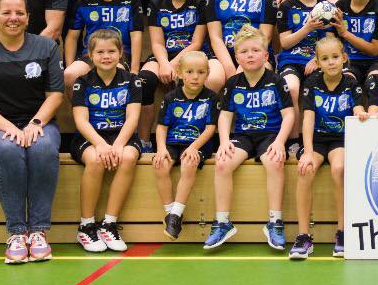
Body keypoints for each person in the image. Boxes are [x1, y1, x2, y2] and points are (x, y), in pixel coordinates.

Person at [0, 0, 65, 265]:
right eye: (6, 13)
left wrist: (35, 123)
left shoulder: (46, 47)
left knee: (43, 147)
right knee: (9, 149)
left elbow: (55, 95)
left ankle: (38, 232)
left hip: (38, 123)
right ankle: (17, 233)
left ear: (28, 18)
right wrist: (10, 128)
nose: (13, 18)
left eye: (20, 13)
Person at [206, 31, 296, 251]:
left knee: (275, 161)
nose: (250, 55)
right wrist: (224, 141)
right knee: (222, 163)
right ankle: (222, 222)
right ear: (237, 57)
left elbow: (289, 115)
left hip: (270, 135)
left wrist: (280, 142)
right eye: (244, 51)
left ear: (266, 55)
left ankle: (275, 221)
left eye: (256, 50)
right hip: (243, 136)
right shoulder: (233, 83)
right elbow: (225, 116)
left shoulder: (276, 81)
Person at [66, 28, 145, 253]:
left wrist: (118, 144)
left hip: (122, 134)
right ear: (90, 55)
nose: (106, 56)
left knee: (127, 157)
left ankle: (109, 224)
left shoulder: (132, 81)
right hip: (91, 136)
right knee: (96, 159)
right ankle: (86, 226)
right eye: (100, 52)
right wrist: (100, 144)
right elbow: (81, 121)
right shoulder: (82, 82)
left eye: (111, 51)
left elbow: (133, 118)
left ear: (120, 53)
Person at [291, 35, 363, 260]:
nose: (331, 62)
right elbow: (308, 120)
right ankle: (304, 236)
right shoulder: (311, 84)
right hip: (317, 140)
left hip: (341, 139)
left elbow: (358, 110)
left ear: (344, 58)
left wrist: (361, 113)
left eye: (335, 57)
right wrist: (307, 152)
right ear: (317, 62)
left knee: (339, 168)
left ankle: (342, 233)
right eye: (324, 58)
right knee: (305, 169)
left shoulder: (351, 83)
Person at [153, 50, 216, 239]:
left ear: (207, 74)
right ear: (179, 73)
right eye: (189, 72)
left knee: (189, 163)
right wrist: (161, 148)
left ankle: (176, 213)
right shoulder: (171, 97)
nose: (195, 77)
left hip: (198, 144)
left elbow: (210, 129)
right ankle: (171, 214)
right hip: (173, 142)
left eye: (201, 72)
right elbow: (161, 127)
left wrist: (194, 147)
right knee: (160, 165)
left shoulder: (211, 98)